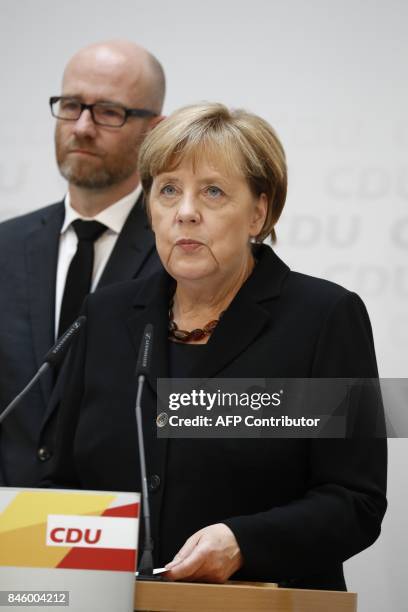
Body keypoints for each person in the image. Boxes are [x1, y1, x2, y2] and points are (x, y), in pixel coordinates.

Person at [46, 103, 387, 590]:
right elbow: (62, 481)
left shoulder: (323, 318)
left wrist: (243, 541)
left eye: (212, 191)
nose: (185, 212)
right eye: (168, 190)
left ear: (259, 213)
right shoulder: (105, 315)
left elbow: (356, 500)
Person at [0, 40, 165, 486]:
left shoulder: (180, 256)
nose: (83, 127)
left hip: (131, 534)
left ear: (155, 129)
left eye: (109, 111)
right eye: (71, 106)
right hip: (12, 534)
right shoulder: (6, 247)